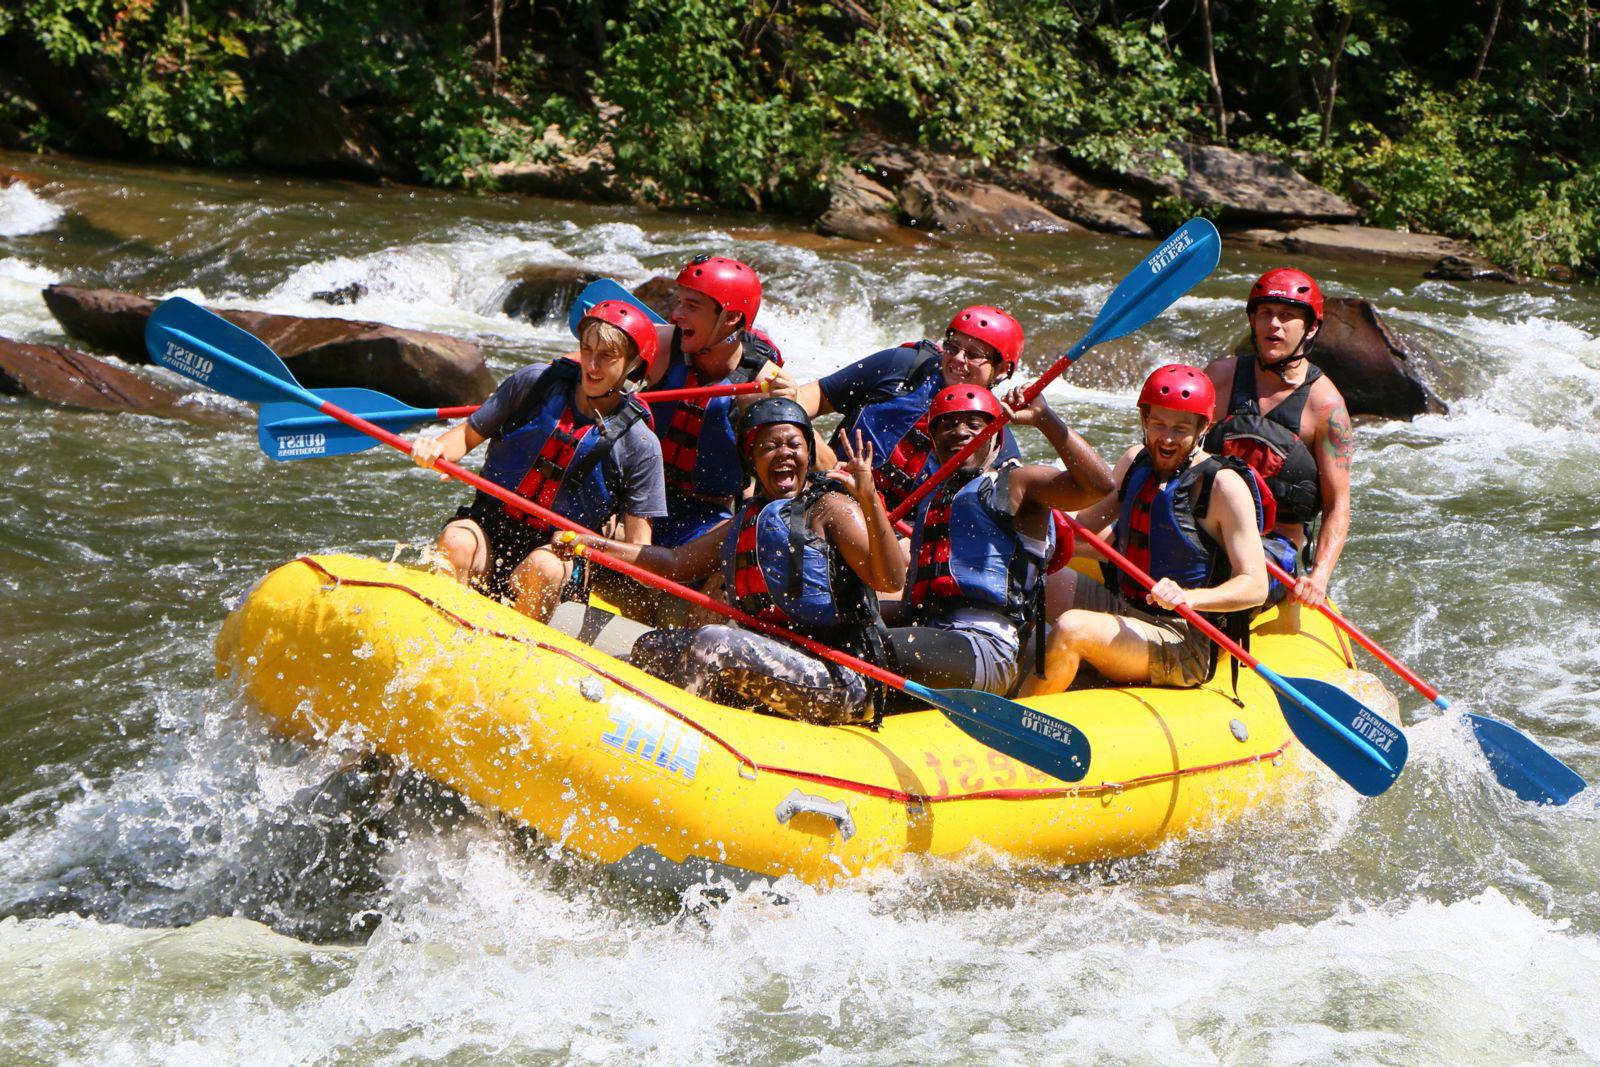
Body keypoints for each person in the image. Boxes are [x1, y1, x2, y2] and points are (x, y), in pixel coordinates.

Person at [554, 399, 904, 726]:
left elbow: (890, 581)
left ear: (808, 455)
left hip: (846, 678)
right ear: (752, 461)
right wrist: (595, 545)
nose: (783, 453)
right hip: (783, 658)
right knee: (653, 646)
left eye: (794, 445)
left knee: (713, 643)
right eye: (769, 447)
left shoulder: (832, 509)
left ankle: (681, 739)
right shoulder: (747, 519)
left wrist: (869, 498)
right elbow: (675, 562)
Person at [411, 300, 667, 622]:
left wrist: (593, 544)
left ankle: (516, 651)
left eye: (607, 356)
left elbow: (638, 549)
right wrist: (434, 450)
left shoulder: (641, 444)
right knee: (456, 540)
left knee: (541, 567)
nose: (592, 365)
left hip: (558, 555)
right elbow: (463, 438)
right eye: (587, 349)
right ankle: (441, 632)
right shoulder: (535, 383)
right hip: (490, 529)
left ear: (633, 365)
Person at [1026, 365, 1268, 696]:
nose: (1167, 439)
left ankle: (1018, 724)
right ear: (1144, 419)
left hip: (1182, 636)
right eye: (1158, 424)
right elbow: (1081, 529)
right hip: (1123, 604)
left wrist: (1190, 597)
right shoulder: (1134, 462)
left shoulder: (1223, 486)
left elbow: (1255, 586)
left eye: (1181, 429)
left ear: (1203, 428)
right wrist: (1026, 507)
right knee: (1031, 576)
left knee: (1072, 628)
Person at [885, 384, 1112, 700]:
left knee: (871, 645)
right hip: (934, 639)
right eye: (947, 425)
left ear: (995, 439)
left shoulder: (1015, 484)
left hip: (988, 649)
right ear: (933, 442)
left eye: (974, 425)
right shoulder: (930, 504)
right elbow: (910, 608)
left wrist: (1044, 418)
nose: (960, 432)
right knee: (844, 629)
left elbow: (1099, 485)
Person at [1202, 268, 1353, 614]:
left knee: (1213, 572)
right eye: (1265, 314)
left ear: (1310, 327)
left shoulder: (1326, 407)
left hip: (1272, 548)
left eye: (1287, 316)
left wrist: (1319, 578)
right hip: (1206, 527)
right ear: (1252, 320)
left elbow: (1337, 505)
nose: (1274, 325)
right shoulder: (1220, 376)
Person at [794, 305, 1027, 514]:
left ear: (1002, 370)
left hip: (894, 538)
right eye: (953, 347)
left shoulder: (995, 436)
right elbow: (807, 398)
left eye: (973, 354)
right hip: (827, 487)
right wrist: (822, 455)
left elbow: (1008, 509)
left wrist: (1043, 419)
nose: (957, 359)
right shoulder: (903, 366)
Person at [644, 255, 797, 548]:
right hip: (638, 501)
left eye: (692, 306)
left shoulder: (762, 385)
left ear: (731, 318)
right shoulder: (662, 346)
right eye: (678, 302)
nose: (676, 315)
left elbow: (809, 461)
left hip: (705, 517)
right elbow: (589, 370)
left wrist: (790, 411)